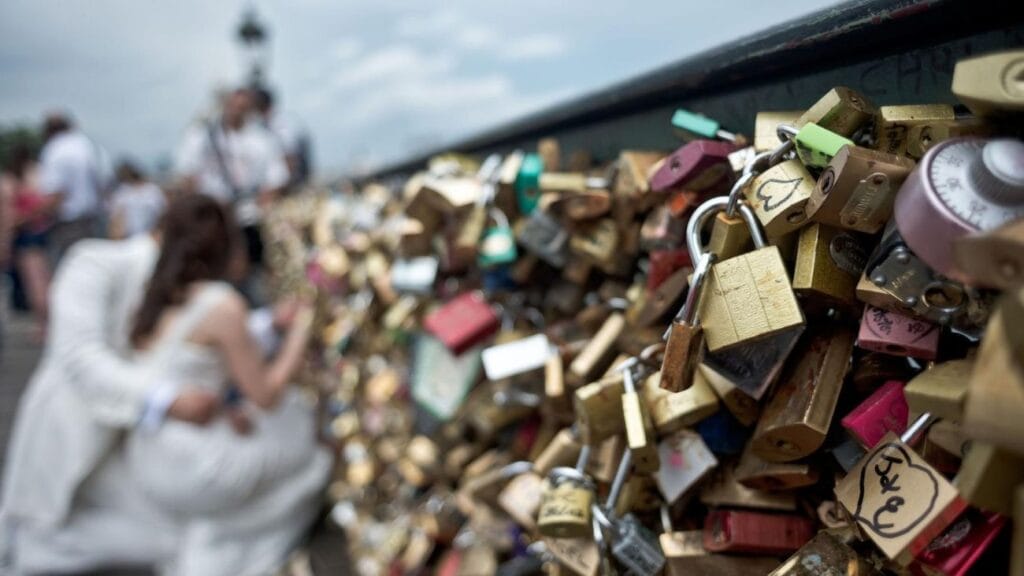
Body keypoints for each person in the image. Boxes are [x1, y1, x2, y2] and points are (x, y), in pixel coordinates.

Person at [122, 195, 329, 575]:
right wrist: (300, 333)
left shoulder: (154, 297)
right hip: (195, 467)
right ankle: (217, 552)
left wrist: (223, 407)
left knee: (263, 434)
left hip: (148, 456)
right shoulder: (222, 304)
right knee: (308, 449)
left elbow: (182, 371)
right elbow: (266, 395)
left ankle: (207, 536)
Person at [175, 88, 288, 268]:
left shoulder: (262, 139)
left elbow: (276, 178)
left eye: (243, 107)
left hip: (249, 221)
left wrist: (261, 208)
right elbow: (188, 175)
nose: (237, 110)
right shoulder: (202, 136)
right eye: (233, 105)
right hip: (212, 222)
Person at [36, 113, 109, 261]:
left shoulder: (56, 149)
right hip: (95, 221)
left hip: (69, 226)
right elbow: (105, 186)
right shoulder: (91, 146)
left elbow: (56, 195)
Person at [6, 146, 53, 340]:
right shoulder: (38, 172)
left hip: (26, 233)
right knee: (44, 281)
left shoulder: (16, 179)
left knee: (35, 283)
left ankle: (43, 327)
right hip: (40, 232)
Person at [251, 87, 313, 187]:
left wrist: (285, 185)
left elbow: (290, 155)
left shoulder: (280, 123)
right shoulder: (268, 123)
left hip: (291, 180)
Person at [108, 160, 166, 239]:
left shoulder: (153, 191)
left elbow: (162, 216)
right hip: (128, 241)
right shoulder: (121, 193)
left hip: (149, 239)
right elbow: (116, 223)